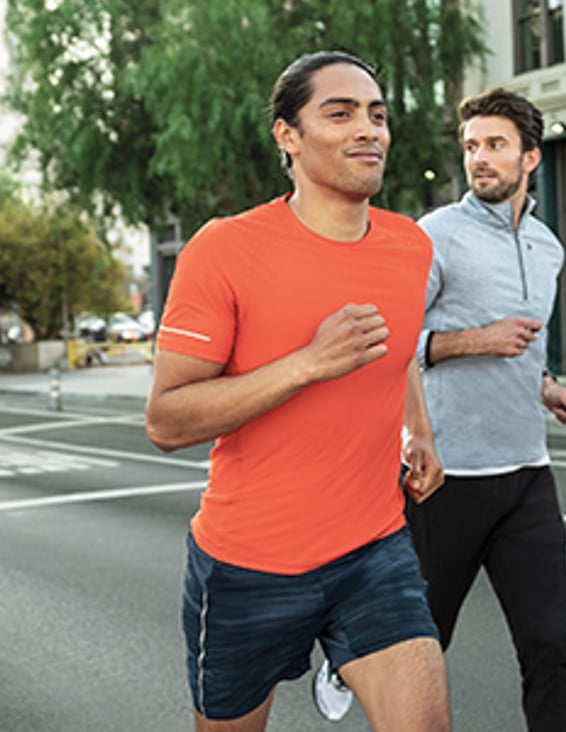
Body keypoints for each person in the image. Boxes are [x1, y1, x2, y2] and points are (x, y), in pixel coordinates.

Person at [144, 51, 450, 732]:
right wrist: (307, 363)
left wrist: (418, 430)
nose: (366, 129)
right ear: (288, 135)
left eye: (376, 113)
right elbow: (166, 421)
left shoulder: (409, 246)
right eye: (338, 113)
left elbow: (394, 347)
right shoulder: (224, 249)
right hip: (247, 565)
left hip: (374, 549)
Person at [409, 87, 566, 732]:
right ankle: (349, 657)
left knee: (548, 650)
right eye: (471, 147)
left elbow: (523, 345)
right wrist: (477, 340)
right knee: (418, 647)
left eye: (494, 146)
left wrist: (546, 385)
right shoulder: (435, 235)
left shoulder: (547, 247)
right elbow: (394, 344)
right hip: (447, 479)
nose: (479, 159)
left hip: (528, 476)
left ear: (530, 157)